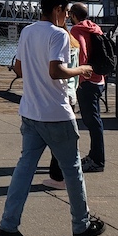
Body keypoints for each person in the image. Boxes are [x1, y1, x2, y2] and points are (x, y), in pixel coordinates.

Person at [0, 0, 105, 236]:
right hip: (56, 113)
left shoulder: (27, 31)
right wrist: (82, 69)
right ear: (57, 9)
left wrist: (37, 74)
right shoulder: (58, 35)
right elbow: (56, 71)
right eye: (66, 12)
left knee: (24, 170)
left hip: (30, 112)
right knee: (73, 171)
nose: (67, 18)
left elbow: (19, 68)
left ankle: (8, 225)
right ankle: (81, 223)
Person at [43, 23, 81, 189]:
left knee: (58, 143)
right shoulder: (75, 44)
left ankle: (59, 178)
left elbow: (57, 71)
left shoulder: (59, 43)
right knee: (64, 140)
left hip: (58, 94)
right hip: (71, 93)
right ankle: (59, 176)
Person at [69, 2, 107, 173]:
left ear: (73, 15)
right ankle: (94, 155)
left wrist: (79, 74)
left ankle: (97, 160)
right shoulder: (94, 27)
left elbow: (81, 52)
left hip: (88, 80)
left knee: (92, 122)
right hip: (100, 79)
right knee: (95, 120)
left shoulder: (77, 30)